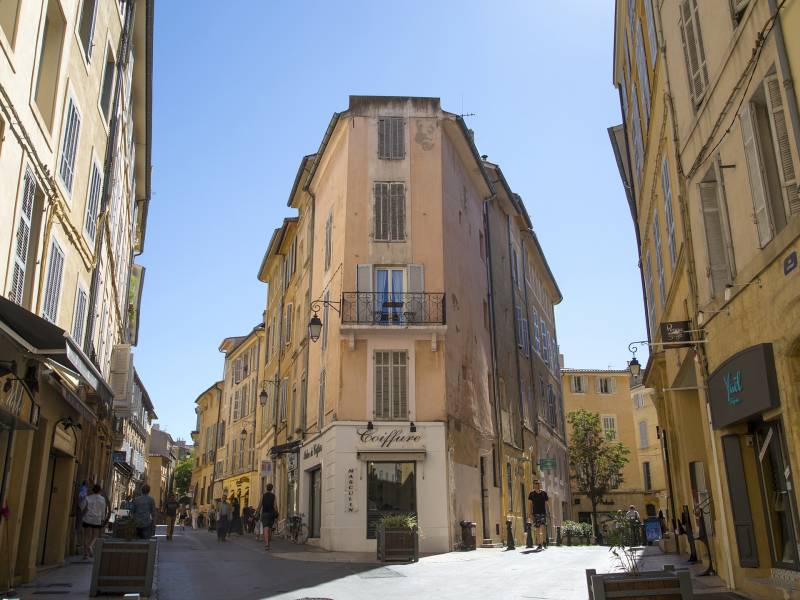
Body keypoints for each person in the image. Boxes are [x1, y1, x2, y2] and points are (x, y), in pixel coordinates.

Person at [81, 485, 107, 558]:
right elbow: (103, 510)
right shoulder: (102, 499)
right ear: (100, 491)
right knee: (95, 535)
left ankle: (85, 554)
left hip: (87, 518)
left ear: (92, 490)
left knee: (86, 536)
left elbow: (82, 507)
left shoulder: (88, 498)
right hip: (97, 519)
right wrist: (103, 519)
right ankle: (91, 546)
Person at [255, 483, 278, 551]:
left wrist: (257, 513)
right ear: (272, 488)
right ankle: (268, 543)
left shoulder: (263, 496)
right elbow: (275, 506)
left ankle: (266, 544)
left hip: (264, 514)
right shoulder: (274, 496)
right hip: (271, 514)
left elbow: (259, 505)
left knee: (265, 528)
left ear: (266, 488)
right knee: (269, 529)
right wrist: (277, 513)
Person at [527, 480, 549, 550]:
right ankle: (539, 544)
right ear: (534, 485)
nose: (537, 485)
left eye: (538, 483)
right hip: (535, 513)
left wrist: (548, 512)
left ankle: (544, 542)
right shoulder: (531, 494)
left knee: (543, 528)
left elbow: (547, 504)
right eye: (536, 484)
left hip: (543, 513)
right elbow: (530, 504)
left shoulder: (544, 493)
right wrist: (530, 513)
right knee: (537, 529)